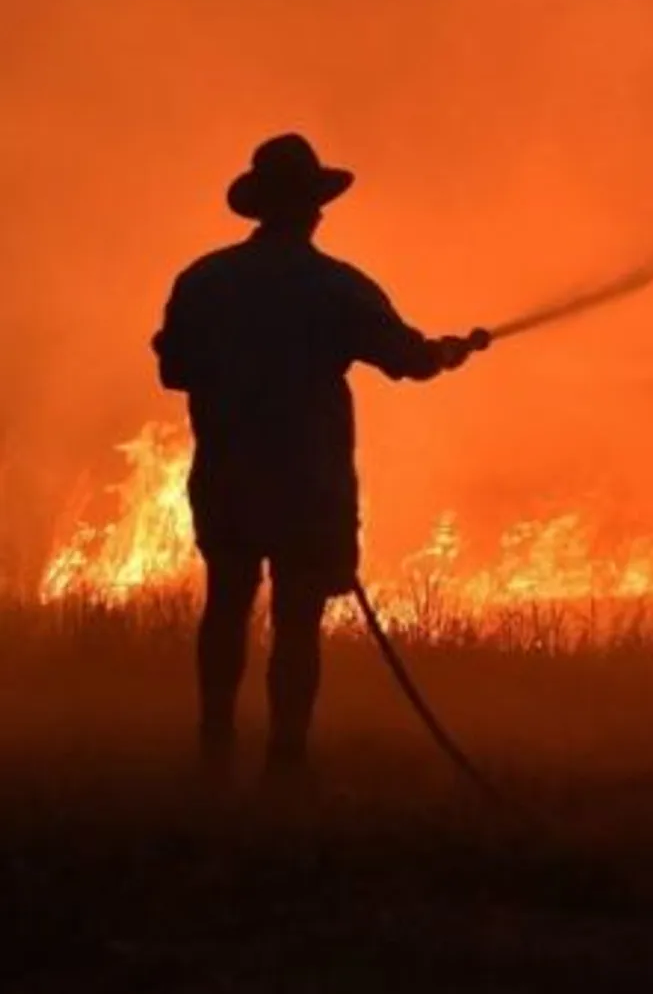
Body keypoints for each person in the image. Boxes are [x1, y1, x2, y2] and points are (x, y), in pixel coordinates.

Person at [152, 132, 488, 787]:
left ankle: (214, 746)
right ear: (310, 209)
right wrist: (447, 351)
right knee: (298, 619)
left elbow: (174, 370)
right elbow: (407, 359)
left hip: (226, 473)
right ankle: (285, 759)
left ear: (258, 208)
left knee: (225, 603)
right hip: (308, 481)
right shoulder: (335, 287)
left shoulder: (203, 280)